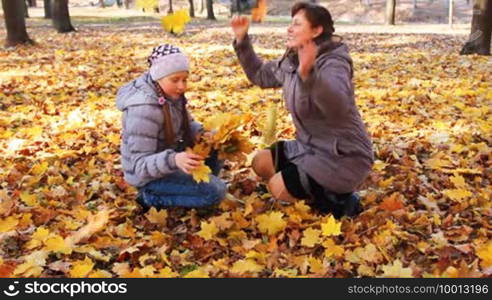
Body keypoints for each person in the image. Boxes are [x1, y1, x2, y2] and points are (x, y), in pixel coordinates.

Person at [231, 2, 373, 218]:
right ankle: (307, 188)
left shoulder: (334, 62)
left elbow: (337, 102)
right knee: (260, 162)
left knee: (277, 188)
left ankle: (339, 201)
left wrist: (310, 76)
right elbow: (260, 74)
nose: (289, 28)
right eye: (291, 23)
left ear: (316, 30)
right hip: (309, 147)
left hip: (343, 155)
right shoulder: (292, 61)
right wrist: (242, 41)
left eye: (297, 24)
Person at [116, 44, 226, 210]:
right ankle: (150, 198)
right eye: (175, 80)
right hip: (149, 178)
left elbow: (186, 124)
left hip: (168, 159)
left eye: (184, 79)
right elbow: (140, 166)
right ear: (158, 77)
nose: (182, 86)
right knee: (216, 192)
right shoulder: (144, 109)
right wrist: (174, 160)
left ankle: (194, 186)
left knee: (218, 144)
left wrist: (203, 133)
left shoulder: (170, 94)